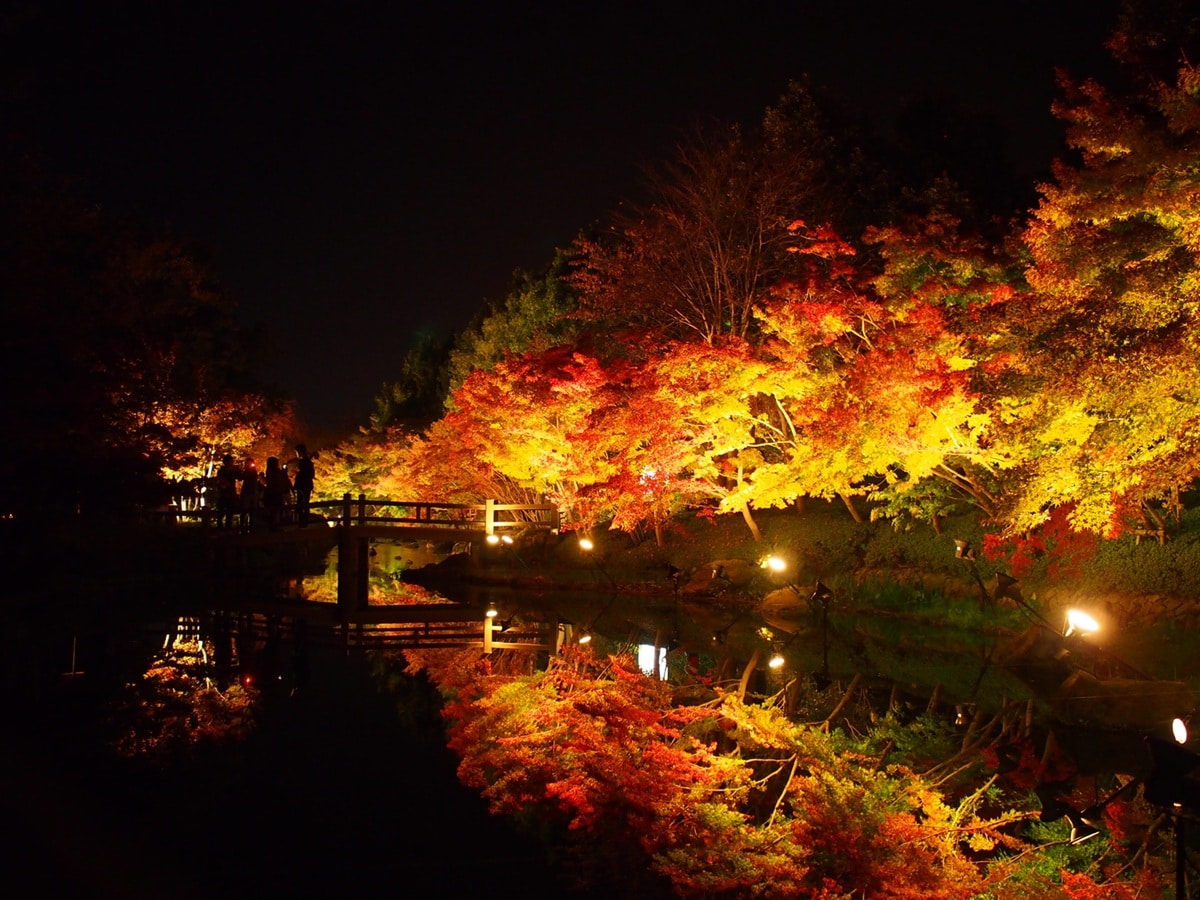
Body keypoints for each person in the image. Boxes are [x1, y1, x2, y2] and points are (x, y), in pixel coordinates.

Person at [292, 443, 315, 527]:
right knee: (303, 503)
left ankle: (303, 522)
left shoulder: (305, 462)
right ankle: (302, 522)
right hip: (304, 485)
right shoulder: (305, 461)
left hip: (304, 486)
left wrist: (300, 478)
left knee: (303, 503)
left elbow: (310, 474)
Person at [263, 456, 288, 531]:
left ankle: (271, 526)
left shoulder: (268, 472)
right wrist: (284, 472)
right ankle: (276, 526)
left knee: (271, 511)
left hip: (269, 493)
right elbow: (283, 480)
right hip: (276, 493)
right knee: (277, 510)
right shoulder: (277, 472)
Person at [215, 454, 239, 529]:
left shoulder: (233, 471)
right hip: (223, 493)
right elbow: (220, 480)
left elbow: (240, 477)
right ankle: (220, 528)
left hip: (231, 494)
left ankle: (227, 528)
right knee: (221, 512)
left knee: (230, 512)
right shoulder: (221, 471)